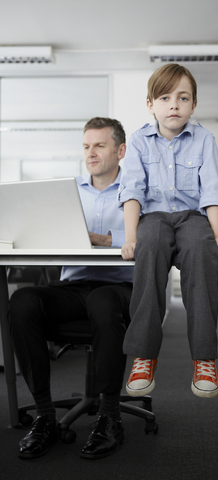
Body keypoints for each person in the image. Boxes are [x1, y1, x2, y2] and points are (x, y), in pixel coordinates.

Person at [8, 117, 133, 460]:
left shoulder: (137, 191)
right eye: (86, 146)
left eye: (100, 145)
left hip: (120, 288)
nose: (91, 153)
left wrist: (104, 240)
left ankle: (110, 417)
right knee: (22, 301)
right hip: (74, 287)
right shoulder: (68, 190)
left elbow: (153, 239)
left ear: (120, 150)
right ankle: (45, 416)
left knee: (104, 301)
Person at [118, 63, 218, 400]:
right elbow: (132, 191)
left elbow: (212, 190)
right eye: (165, 97)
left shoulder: (204, 139)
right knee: (149, 245)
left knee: (201, 247)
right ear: (151, 104)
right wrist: (130, 238)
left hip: (191, 217)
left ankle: (204, 358)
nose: (174, 105)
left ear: (193, 105)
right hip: (153, 217)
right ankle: (143, 355)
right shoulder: (139, 140)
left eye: (183, 98)